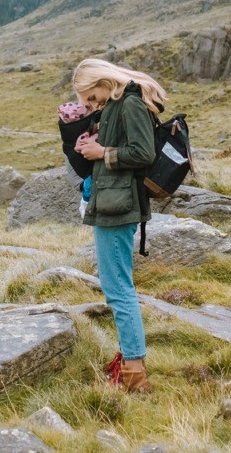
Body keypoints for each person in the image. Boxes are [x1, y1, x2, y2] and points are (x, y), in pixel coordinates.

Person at [71, 57, 166, 394]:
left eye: (91, 97)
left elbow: (143, 154)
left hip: (119, 206)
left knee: (118, 291)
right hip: (110, 201)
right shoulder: (115, 105)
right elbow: (118, 144)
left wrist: (102, 153)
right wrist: (89, 141)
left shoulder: (130, 104)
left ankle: (134, 374)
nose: (92, 104)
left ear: (103, 81)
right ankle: (130, 363)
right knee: (117, 288)